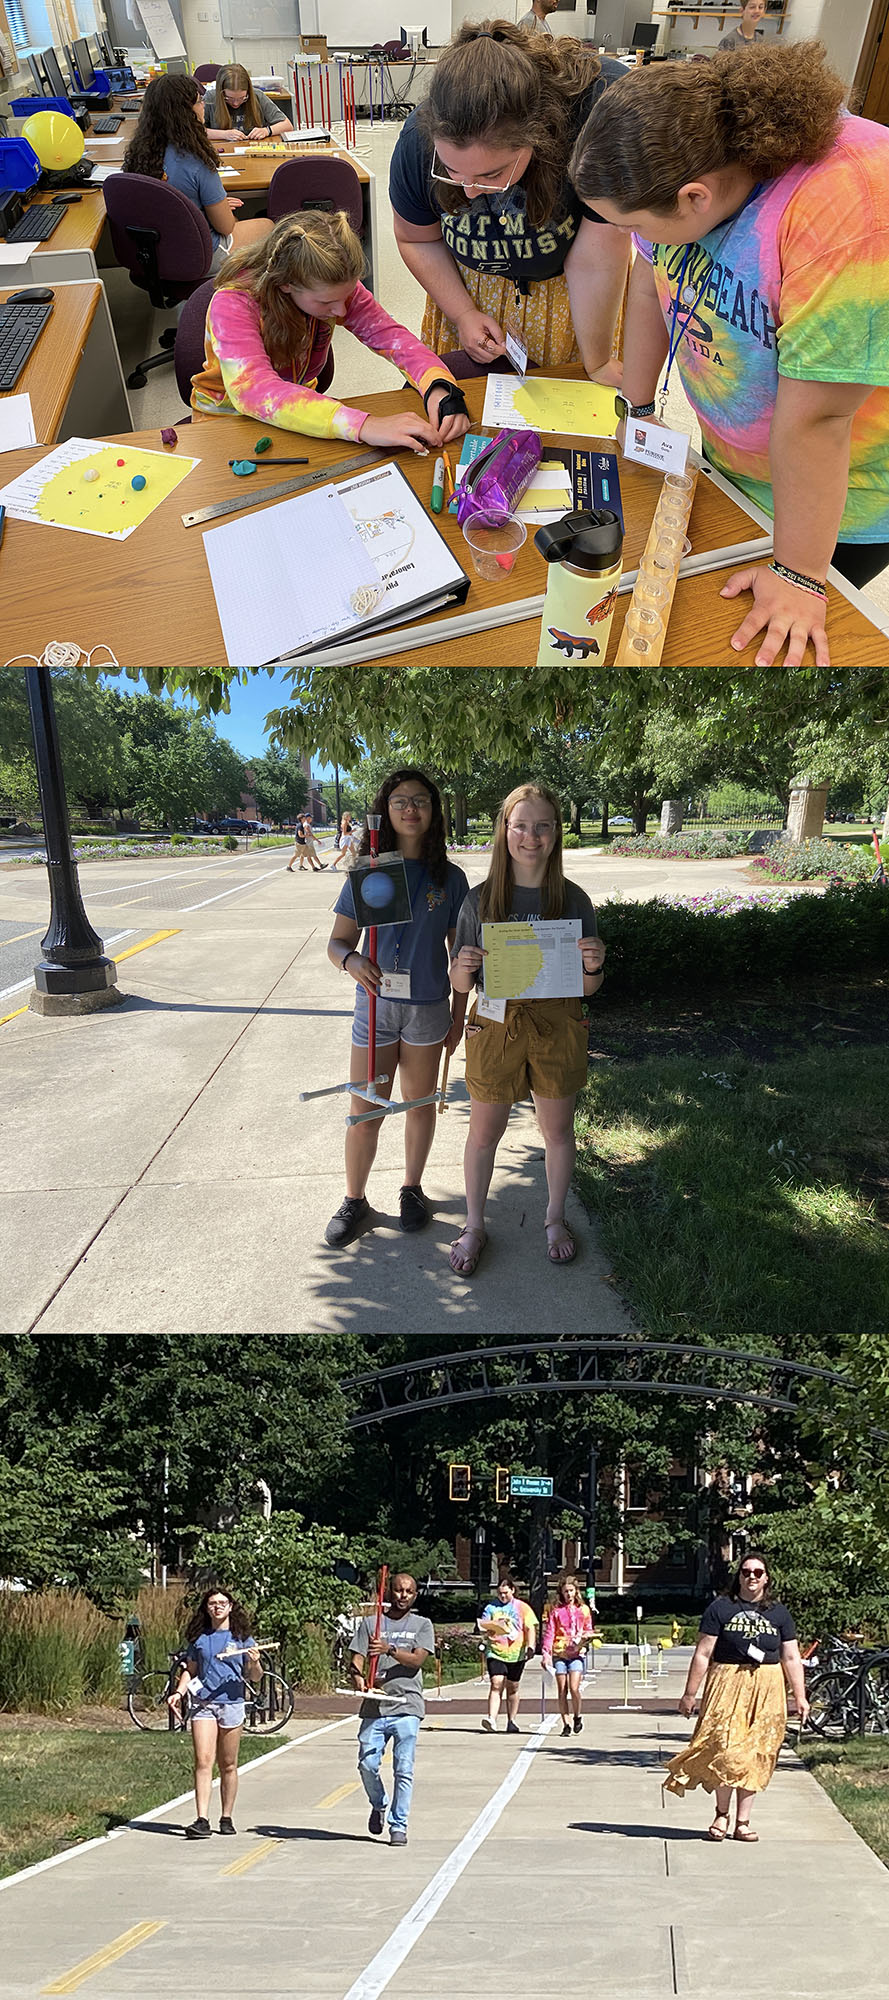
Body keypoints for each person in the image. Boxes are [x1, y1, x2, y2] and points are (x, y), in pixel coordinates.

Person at [569, 42, 889, 669]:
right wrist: (634, 404)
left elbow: (821, 419)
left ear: (694, 199)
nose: (634, 239)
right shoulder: (684, 163)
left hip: (841, 499)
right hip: (737, 471)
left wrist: (800, 576)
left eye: (635, 223)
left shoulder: (849, 208)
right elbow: (650, 277)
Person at [389, 20, 630, 378]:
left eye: (491, 175)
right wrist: (463, 314)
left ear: (539, 137)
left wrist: (596, 361)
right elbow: (415, 237)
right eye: (451, 170)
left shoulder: (593, 118)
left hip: (575, 300)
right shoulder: (417, 140)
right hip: (467, 291)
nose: (469, 191)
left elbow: (595, 259)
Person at [449, 783, 606, 1276]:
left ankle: (554, 1218)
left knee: (557, 1131)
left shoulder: (572, 898)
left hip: (557, 1022)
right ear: (505, 830)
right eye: (521, 825)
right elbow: (459, 982)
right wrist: (463, 962)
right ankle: (474, 1224)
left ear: (556, 833)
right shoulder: (480, 900)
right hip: (495, 1020)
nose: (531, 837)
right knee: (483, 1134)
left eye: (542, 826)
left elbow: (587, 989)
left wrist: (595, 967)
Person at [324, 769, 470, 1249]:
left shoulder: (449, 878)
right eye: (400, 800)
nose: (411, 808)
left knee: (419, 1103)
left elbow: (460, 951)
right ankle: (355, 1199)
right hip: (376, 1008)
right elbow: (337, 942)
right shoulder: (372, 871)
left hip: (428, 1008)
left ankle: (412, 1189)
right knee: (365, 1110)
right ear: (385, 811)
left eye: (421, 800)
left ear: (434, 811)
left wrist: (459, 1009)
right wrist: (352, 960)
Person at [191, 211, 470, 452]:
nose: (341, 311)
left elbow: (393, 338)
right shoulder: (234, 303)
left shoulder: (335, 290)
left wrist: (439, 385)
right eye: (326, 303)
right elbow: (253, 391)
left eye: (345, 297)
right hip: (227, 421)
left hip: (300, 413)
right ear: (286, 284)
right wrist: (365, 425)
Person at [664, 1552, 810, 1841]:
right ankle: (721, 1814)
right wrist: (689, 1693)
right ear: (739, 1576)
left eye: (758, 1572)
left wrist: (800, 1697)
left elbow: (791, 1657)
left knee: (758, 1752)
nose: (752, 1577)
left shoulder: (779, 1613)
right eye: (746, 1572)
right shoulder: (721, 1608)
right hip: (727, 1681)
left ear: (767, 1577)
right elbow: (703, 1653)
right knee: (726, 1749)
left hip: (767, 1685)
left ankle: (743, 1822)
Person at [121, 74, 272, 270]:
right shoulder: (196, 159)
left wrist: (204, 205)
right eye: (199, 102)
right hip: (199, 255)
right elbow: (225, 227)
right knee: (268, 227)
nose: (203, 107)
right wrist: (219, 207)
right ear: (186, 112)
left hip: (154, 256)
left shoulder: (139, 153)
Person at [167, 1584, 261, 1839]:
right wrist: (179, 1692)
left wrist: (254, 1662)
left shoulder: (242, 1639)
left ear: (230, 1607)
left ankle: (227, 1816)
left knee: (228, 1763)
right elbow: (191, 1670)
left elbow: (254, 1677)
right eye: (212, 1603)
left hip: (231, 1704)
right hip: (203, 1704)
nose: (217, 1607)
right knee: (203, 1760)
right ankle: (201, 1819)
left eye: (222, 1603)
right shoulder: (200, 1639)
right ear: (206, 1608)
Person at [350, 1572, 435, 1847]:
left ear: (415, 1594)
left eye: (409, 1591)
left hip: (407, 1704)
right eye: (398, 1590)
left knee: (404, 1768)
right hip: (375, 1706)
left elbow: (416, 1661)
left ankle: (399, 1825)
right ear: (390, 1593)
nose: (403, 1595)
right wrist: (359, 1678)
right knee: (367, 1763)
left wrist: (389, 1649)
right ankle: (379, 1803)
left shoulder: (422, 1624)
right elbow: (357, 1659)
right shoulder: (370, 1623)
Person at [478, 1574, 538, 1732]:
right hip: (496, 1651)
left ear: (512, 1590)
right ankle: (491, 1718)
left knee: (513, 1687)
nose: (503, 1596)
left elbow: (530, 1627)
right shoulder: (491, 1608)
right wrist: (488, 1631)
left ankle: (512, 1720)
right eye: (500, 1593)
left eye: (505, 1592)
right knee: (496, 1683)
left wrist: (531, 1646)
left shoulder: (522, 1607)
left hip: (516, 1653)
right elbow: (483, 1628)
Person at [542, 1574, 594, 1735]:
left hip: (576, 1653)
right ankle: (566, 1723)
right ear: (561, 1593)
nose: (569, 1594)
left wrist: (585, 1640)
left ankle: (577, 1715)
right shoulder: (556, 1611)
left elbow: (588, 1629)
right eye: (566, 1591)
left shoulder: (583, 1610)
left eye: (571, 1591)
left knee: (574, 1688)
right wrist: (546, 1653)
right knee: (562, 1689)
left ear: (576, 1591)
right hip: (560, 1653)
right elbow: (550, 1633)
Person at [201, 63, 294, 141]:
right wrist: (224, 135)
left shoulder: (257, 96)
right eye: (229, 98)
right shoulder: (211, 98)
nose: (236, 103)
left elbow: (287, 125)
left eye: (242, 98)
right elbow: (195, 131)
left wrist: (266, 131)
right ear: (221, 92)